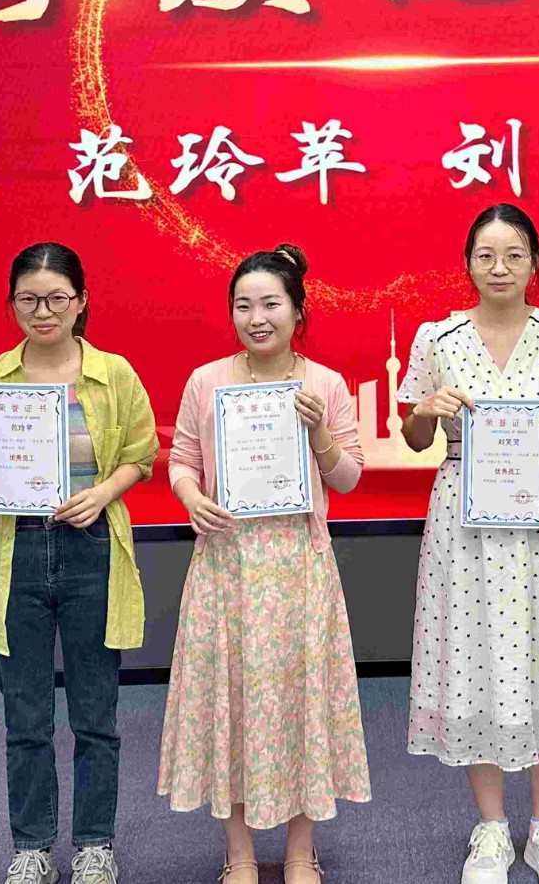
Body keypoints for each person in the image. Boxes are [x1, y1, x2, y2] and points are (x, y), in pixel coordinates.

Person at [397, 204, 539, 884]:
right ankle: (491, 829)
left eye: (514, 255)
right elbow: (415, 439)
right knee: (474, 660)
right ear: (467, 264)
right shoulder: (437, 339)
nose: (499, 268)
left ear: (535, 264)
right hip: (465, 523)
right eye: (486, 256)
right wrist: (422, 412)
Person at [0, 242, 158, 884]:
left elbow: (141, 456)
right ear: (11, 305)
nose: (43, 311)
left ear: (81, 302)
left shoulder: (114, 374)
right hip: (15, 553)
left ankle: (95, 846)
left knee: (96, 713)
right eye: (29, 299)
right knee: (26, 716)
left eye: (57, 298)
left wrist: (103, 493)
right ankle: (32, 847)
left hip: (91, 548)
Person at [157, 244, 371, 884]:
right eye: (243, 306)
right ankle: (240, 852)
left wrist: (320, 435)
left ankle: (303, 851)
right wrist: (192, 497)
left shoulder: (325, 384)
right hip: (227, 568)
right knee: (230, 705)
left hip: (299, 571)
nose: (257, 318)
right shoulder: (206, 381)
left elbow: (349, 478)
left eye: (271, 304)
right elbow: (181, 460)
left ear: (298, 311)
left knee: (302, 703)